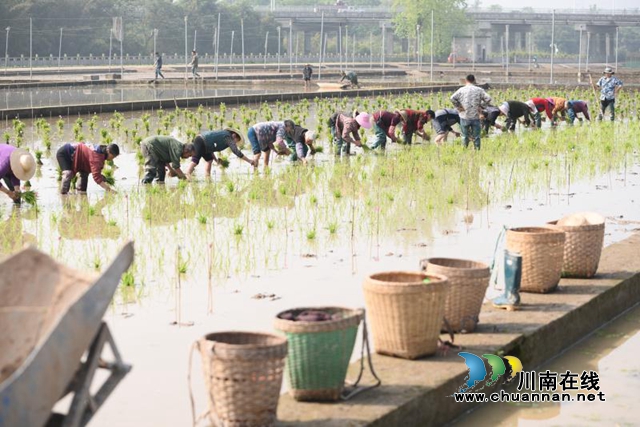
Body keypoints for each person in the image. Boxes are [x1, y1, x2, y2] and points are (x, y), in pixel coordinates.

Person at [186, 128, 256, 177]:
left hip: (205, 144)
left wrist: (216, 160)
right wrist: (249, 161)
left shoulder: (223, 136)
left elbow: (211, 148)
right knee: (195, 160)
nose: (234, 143)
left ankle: (208, 177)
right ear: (234, 135)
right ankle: (187, 175)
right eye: (235, 141)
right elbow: (236, 152)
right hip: (201, 141)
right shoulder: (228, 137)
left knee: (209, 160)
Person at [450, 74, 492, 149]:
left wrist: (459, 107)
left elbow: (452, 98)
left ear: (466, 80)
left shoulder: (461, 90)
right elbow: (488, 98)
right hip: (475, 116)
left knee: (464, 136)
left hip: (464, 116)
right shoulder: (479, 90)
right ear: (474, 80)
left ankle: (464, 150)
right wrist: (481, 107)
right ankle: (477, 151)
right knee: (477, 137)